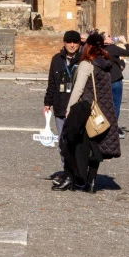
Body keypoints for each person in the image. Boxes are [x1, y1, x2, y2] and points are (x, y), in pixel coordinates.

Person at [54, 32, 120, 192]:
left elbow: (78, 89)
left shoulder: (87, 64)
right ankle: (91, 182)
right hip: (104, 111)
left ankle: (69, 178)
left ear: (88, 46)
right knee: (95, 146)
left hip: (87, 110)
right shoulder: (105, 64)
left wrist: (69, 108)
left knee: (69, 142)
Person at [43, 31, 82, 181]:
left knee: (77, 142)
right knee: (62, 142)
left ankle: (78, 173)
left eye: (75, 42)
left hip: (77, 109)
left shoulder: (83, 60)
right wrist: (47, 103)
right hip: (60, 106)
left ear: (79, 44)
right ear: (64, 43)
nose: (72, 45)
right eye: (69, 42)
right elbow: (52, 83)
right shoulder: (56, 59)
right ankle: (67, 172)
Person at [104, 34, 129, 138]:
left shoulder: (98, 49)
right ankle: (112, 129)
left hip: (103, 80)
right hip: (115, 80)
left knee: (104, 105)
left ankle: (104, 127)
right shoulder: (112, 48)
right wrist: (124, 42)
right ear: (104, 40)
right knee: (115, 105)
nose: (111, 37)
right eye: (108, 36)